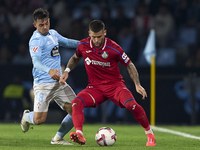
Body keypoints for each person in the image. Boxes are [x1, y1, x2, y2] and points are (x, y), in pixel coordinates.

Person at [59, 20, 156, 146]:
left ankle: (150, 134)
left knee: (132, 105)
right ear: (89, 34)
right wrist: (67, 70)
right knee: (76, 103)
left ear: (104, 33)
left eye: (99, 37)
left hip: (115, 86)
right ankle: (79, 134)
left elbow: (129, 65)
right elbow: (75, 58)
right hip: (95, 88)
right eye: (94, 37)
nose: (97, 40)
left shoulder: (113, 48)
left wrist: (137, 84)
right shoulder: (83, 45)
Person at [20, 8, 79, 145]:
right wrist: (49, 70)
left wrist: (85, 44)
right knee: (39, 120)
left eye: (47, 23)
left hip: (59, 83)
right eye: (41, 24)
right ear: (35, 25)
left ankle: (57, 138)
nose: (45, 27)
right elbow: (36, 62)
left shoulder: (53, 33)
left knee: (76, 110)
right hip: (43, 84)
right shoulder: (35, 40)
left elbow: (67, 42)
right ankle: (26, 116)